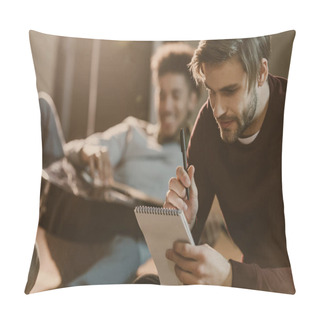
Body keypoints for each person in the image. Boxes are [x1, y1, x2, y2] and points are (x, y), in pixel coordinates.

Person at [55, 42, 202, 287]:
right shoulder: (132, 131)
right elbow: (64, 151)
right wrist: (86, 151)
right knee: (43, 107)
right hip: (79, 224)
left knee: (133, 247)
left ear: (192, 100)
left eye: (175, 95)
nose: (165, 106)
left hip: (126, 247)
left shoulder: (192, 163)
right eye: (161, 94)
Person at [161, 37, 295, 294]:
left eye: (230, 91)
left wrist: (231, 276)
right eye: (211, 91)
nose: (218, 109)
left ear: (261, 72)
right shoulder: (209, 125)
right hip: (250, 282)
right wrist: (184, 224)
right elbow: (182, 251)